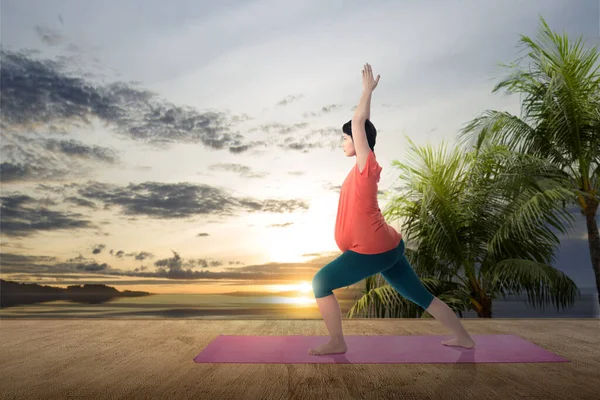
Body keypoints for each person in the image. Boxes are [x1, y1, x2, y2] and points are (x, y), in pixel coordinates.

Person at [309, 63, 475, 355]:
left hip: (371, 250)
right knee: (421, 296)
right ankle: (464, 337)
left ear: (358, 142)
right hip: (389, 246)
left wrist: (365, 92)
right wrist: (368, 97)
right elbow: (365, 126)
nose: (342, 143)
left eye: (344, 138)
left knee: (320, 282)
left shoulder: (366, 164)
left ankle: (337, 342)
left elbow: (360, 123)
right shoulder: (364, 165)